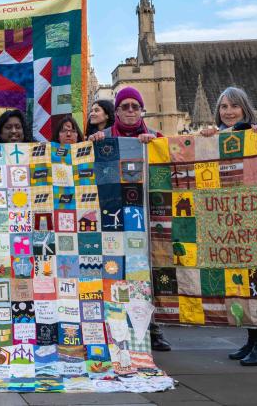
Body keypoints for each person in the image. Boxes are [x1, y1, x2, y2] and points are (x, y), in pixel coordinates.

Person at [90, 87, 171, 351]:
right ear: (117, 111)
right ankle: (115, 325)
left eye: (135, 106)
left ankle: (151, 329)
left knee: (146, 271)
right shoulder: (104, 137)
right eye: (124, 106)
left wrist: (156, 146)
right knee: (116, 269)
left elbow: (174, 160)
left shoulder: (154, 139)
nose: (130, 111)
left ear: (141, 110)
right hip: (113, 212)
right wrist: (94, 141)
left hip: (144, 215)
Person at [201, 87, 257, 366]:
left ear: (245, 108)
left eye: (234, 106)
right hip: (230, 216)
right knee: (243, 284)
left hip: (255, 214)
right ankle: (253, 340)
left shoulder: (256, 132)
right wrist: (205, 138)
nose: (228, 111)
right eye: (223, 107)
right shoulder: (218, 136)